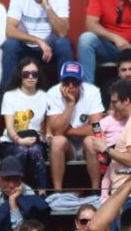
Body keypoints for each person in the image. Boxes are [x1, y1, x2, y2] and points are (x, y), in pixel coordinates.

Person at [45, 61, 106, 197]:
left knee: (92, 141)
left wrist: (69, 130)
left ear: (81, 82)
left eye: (75, 82)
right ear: (61, 82)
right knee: (57, 141)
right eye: (67, 82)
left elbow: (97, 128)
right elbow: (57, 133)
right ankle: (58, 192)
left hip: (86, 143)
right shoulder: (53, 93)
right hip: (67, 146)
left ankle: (96, 190)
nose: (71, 86)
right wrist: (70, 104)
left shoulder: (92, 92)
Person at [3, 0, 74, 90]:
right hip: (26, 48)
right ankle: (7, 94)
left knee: (64, 44)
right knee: (10, 44)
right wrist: (38, 41)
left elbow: (62, 31)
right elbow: (9, 30)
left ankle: (67, 91)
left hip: (49, 49)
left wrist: (46, 5)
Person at [0, 59, 52, 191]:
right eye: (26, 74)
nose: (30, 77)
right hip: (12, 141)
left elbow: (49, 122)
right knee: (21, 150)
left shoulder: (45, 96)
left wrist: (48, 134)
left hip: (36, 141)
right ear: (20, 75)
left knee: (35, 150)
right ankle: (16, 190)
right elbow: (10, 127)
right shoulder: (10, 96)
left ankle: (42, 191)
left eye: (34, 74)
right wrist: (19, 140)